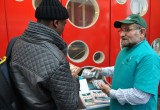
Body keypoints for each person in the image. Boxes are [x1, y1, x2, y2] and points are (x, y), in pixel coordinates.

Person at [9, 0, 79, 110]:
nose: (64, 28)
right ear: (56, 23)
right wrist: (73, 78)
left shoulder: (17, 42)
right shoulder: (57, 60)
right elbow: (70, 106)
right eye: (64, 24)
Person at [91, 14, 160, 110]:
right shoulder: (126, 49)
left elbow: (141, 95)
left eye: (127, 30)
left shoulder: (149, 57)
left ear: (142, 32)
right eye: (121, 30)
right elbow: (123, 68)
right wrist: (103, 70)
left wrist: (111, 92)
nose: (121, 34)